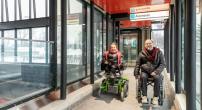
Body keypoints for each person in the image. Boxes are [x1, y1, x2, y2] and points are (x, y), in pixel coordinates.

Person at [134, 39, 165, 105]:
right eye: (146, 44)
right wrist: (136, 74)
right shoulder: (141, 53)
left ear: (152, 44)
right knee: (143, 77)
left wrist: (156, 72)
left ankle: (155, 97)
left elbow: (162, 64)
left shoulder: (159, 52)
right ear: (145, 45)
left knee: (157, 78)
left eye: (150, 43)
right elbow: (138, 64)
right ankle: (144, 96)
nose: (148, 45)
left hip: (155, 71)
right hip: (145, 71)